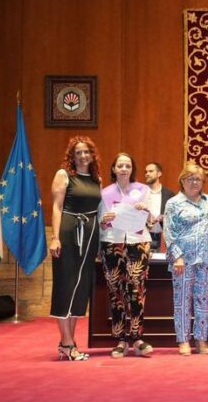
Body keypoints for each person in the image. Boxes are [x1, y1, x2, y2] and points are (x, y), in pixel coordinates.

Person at [49, 136, 102, 361]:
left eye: (86, 152)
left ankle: (67, 342)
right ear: (72, 155)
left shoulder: (96, 179)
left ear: (92, 155)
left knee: (80, 287)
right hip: (69, 232)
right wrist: (55, 238)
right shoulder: (64, 175)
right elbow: (57, 206)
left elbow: (98, 210)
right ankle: (67, 342)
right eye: (78, 152)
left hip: (90, 236)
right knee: (65, 284)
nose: (82, 156)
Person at [98, 153, 154, 358]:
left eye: (127, 165)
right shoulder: (105, 193)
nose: (123, 169)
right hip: (112, 242)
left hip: (138, 242)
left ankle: (137, 338)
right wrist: (104, 220)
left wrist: (147, 210)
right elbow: (100, 223)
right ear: (113, 169)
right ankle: (121, 339)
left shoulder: (143, 190)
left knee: (136, 290)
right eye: (120, 165)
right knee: (116, 291)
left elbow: (152, 221)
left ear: (132, 169)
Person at [164, 162, 208, 355]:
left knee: (203, 301)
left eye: (198, 179)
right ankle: (183, 340)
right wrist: (177, 256)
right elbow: (169, 232)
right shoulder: (173, 203)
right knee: (182, 301)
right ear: (182, 181)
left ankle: (201, 339)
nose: (195, 182)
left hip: (206, 259)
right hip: (183, 260)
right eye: (190, 178)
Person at [144, 162, 175, 251]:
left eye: (150, 171)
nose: (147, 174)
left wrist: (164, 217)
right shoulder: (141, 193)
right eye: (146, 172)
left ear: (159, 174)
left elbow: (175, 217)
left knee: (161, 264)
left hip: (163, 238)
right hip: (144, 237)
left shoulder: (170, 194)